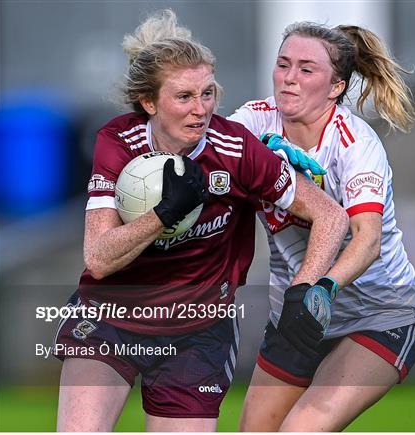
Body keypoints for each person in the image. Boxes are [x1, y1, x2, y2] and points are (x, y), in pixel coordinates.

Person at [52, 11, 349, 432]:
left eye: (207, 93)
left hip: (197, 331)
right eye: (184, 97)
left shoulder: (236, 151)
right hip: (109, 318)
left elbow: (331, 215)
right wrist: (162, 215)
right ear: (149, 103)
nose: (200, 110)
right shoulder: (119, 143)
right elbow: (99, 258)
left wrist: (308, 287)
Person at [228, 21, 415, 431]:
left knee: (300, 430)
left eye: (306, 69)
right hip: (294, 312)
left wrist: (322, 290)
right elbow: (208, 154)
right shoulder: (254, 122)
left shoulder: (355, 144)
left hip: (380, 315)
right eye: (283, 65)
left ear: (336, 87)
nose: (289, 78)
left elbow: (368, 239)